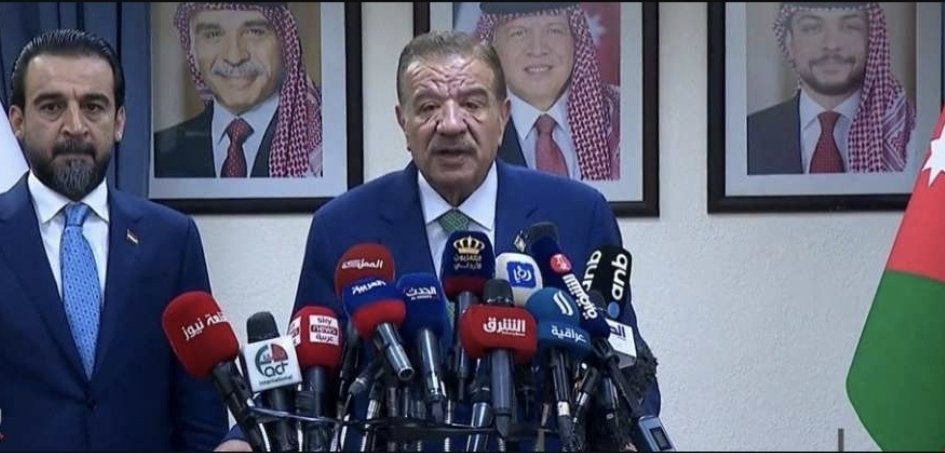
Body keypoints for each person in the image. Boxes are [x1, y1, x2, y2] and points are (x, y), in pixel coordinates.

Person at [216, 29, 659, 452]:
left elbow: (626, 365)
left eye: (472, 104)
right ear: (403, 122)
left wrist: (625, 437)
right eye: (428, 107)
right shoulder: (342, 226)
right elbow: (311, 366)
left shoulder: (577, 214)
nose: (450, 124)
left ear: (503, 116)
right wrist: (247, 437)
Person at [0, 29, 228, 450]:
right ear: (17, 121)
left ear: (119, 121)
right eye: (51, 107)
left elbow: (200, 409)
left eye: (93, 107)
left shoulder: (171, 239)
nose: (75, 127)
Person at [153, 2, 323, 178]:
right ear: (192, 51)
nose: (234, 57)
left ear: (286, 44)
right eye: (212, 34)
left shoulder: (321, 148)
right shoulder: (158, 155)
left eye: (255, 32)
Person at [747, 2, 915, 175]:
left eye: (850, 27)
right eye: (812, 28)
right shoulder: (746, 136)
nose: (832, 45)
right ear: (789, 44)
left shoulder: (909, 134)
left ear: (871, 40)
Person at [474, 2, 621, 181]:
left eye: (554, 31)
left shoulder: (620, 116)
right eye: (519, 33)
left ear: (575, 40)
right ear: (493, 46)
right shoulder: (469, 126)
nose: (538, 50)